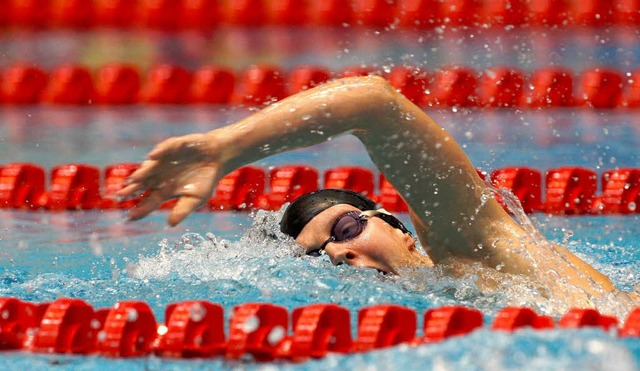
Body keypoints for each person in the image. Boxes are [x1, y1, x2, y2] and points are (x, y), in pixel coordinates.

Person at [118, 75, 639, 307]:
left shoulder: (471, 250)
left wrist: (223, 149)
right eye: (323, 257)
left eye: (345, 228)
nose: (340, 253)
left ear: (400, 228)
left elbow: (372, 102)